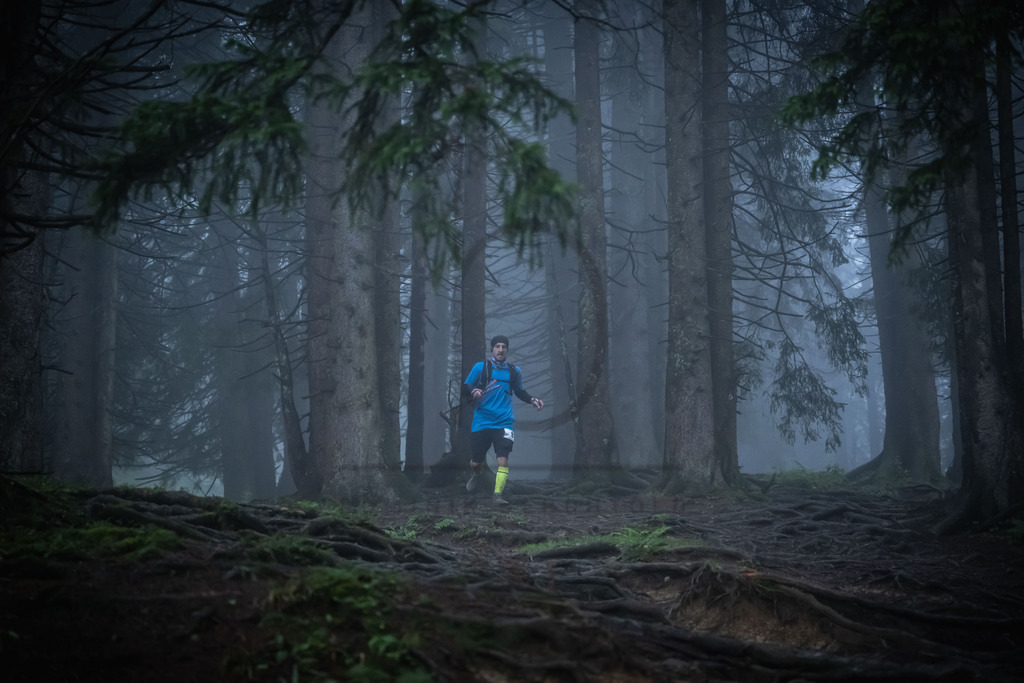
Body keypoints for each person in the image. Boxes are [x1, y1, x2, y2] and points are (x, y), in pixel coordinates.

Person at [463, 335, 543, 504]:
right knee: (476, 462)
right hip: (482, 421)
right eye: (497, 346)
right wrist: (473, 392)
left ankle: (497, 495)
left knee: (503, 460)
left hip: (504, 422)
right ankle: (476, 474)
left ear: (507, 350)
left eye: (503, 347)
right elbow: (465, 387)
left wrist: (533, 400)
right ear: (492, 349)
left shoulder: (514, 371)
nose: (500, 349)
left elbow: (520, 391)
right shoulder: (481, 368)